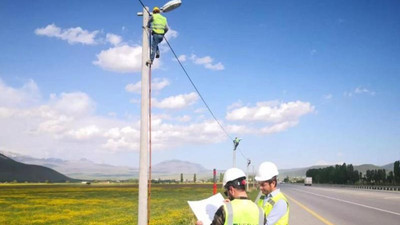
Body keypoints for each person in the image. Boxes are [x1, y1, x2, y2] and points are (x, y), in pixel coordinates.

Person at [196, 168, 264, 225]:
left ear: (231, 189)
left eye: (226, 193)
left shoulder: (225, 210)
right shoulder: (260, 211)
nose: (227, 196)